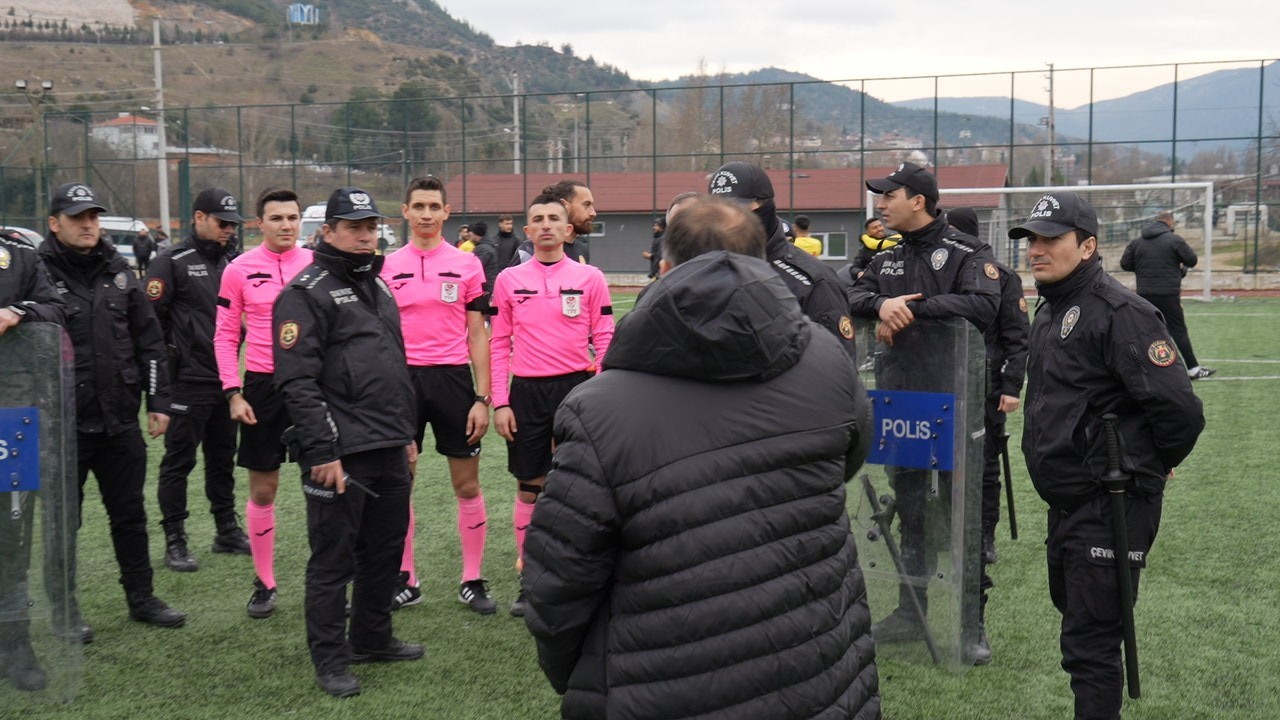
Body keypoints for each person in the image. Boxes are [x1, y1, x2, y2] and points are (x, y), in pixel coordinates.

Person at [522, 197, 880, 719]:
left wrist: (572, 672)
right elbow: (849, 458)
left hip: (664, 683)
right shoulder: (829, 361)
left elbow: (559, 582)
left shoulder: (599, 410)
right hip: (818, 663)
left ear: (663, 269)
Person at [1012, 191, 1204, 718]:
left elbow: (1180, 412)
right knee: (1080, 628)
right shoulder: (1053, 308)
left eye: (1051, 239)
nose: (1036, 250)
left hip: (1110, 504)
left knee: (1091, 647)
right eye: (1031, 239)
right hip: (1069, 505)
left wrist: (1145, 467)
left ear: (1089, 245)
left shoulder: (1121, 312)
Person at [273, 186, 423, 698]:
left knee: (384, 553)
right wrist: (322, 452)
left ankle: (372, 638)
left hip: (387, 443)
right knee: (334, 558)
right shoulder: (304, 292)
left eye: (370, 227)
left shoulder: (377, 286)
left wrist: (406, 436)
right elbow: (297, 381)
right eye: (354, 227)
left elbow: (393, 368)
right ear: (328, 232)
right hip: (340, 453)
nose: (365, 236)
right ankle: (331, 659)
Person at [847, 162, 999, 653]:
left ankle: (971, 625)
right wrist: (879, 307)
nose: (880, 204)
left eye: (889, 195)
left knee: (961, 517)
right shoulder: (888, 255)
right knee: (909, 509)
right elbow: (850, 293)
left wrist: (908, 311)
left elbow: (982, 306)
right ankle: (911, 614)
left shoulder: (966, 252)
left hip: (954, 401)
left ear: (918, 200)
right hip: (899, 401)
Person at [37, 182, 186, 635]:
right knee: (64, 522)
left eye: (93, 217)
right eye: (78, 217)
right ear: (54, 223)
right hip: (62, 424)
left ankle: (142, 598)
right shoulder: (36, 273)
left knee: (129, 514)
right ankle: (63, 609)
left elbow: (149, 342)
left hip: (119, 420)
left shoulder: (120, 271)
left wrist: (157, 401)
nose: (88, 225)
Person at [489, 192, 614, 617]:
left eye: (553, 219)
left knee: (580, 487)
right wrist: (501, 402)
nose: (545, 225)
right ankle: (530, 578)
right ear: (527, 231)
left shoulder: (592, 278)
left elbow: (607, 339)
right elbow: (498, 342)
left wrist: (599, 389)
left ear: (568, 229)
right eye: (537, 219)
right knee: (531, 485)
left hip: (578, 390)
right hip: (526, 393)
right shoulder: (508, 280)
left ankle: (577, 574)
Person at [381, 176, 496, 615]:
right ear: (406, 213)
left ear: (447, 213)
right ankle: (406, 578)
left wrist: (481, 398)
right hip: (402, 384)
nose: (427, 214)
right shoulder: (388, 266)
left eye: (435, 206)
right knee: (400, 484)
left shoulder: (467, 265)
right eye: (419, 206)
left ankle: (472, 578)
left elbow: (478, 336)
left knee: (466, 484)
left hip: (452, 382)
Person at [213, 187, 313, 619]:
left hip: (311, 386)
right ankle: (265, 583)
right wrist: (233, 392)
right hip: (261, 387)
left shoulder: (316, 263)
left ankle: (326, 580)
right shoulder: (238, 269)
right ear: (260, 224)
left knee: (324, 485)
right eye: (277, 218)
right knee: (263, 488)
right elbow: (223, 335)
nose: (287, 225)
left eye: (292, 218)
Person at [147, 187, 249, 571]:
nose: (228, 230)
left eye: (232, 224)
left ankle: (226, 529)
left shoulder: (236, 261)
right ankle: (175, 538)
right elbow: (151, 325)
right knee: (179, 462)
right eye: (222, 223)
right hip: (185, 381)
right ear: (199, 218)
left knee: (223, 459)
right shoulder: (171, 261)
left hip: (225, 380)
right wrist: (159, 387)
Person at [949, 206, 1029, 663]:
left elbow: (1018, 335)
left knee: (986, 468)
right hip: (944, 381)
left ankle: (984, 536)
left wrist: (1010, 386)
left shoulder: (1001, 276)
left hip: (986, 384)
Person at [0, 226, 66, 691]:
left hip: (10, 419)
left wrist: (17, 312)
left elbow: (56, 309)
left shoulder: (17, 255)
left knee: (11, 538)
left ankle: (15, 642)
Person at [708, 161, 856, 359]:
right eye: (718, 211)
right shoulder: (704, 271)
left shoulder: (812, 281)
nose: (729, 219)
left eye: (738, 208)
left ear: (765, 205)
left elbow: (837, 365)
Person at [1120, 211, 1214, 380]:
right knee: (1178, 331)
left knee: (1146, 332)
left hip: (1145, 294)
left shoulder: (1138, 242)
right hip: (1168, 294)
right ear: (1170, 224)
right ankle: (1192, 369)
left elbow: (1125, 264)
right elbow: (1191, 260)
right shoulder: (1175, 240)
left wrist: (1144, 271)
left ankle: (1142, 369)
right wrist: (1181, 269)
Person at [541, 180, 594, 264]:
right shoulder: (531, 250)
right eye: (586, 204)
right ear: (563, 205)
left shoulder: (582, 249)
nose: (593, 213)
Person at [469, 220, 502, 293]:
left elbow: (473, 267)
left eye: (471, 232)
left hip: (485, 289)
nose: (469, 234)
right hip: (488, 288)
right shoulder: (486, 246)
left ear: (476, 234)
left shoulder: (483, 249)